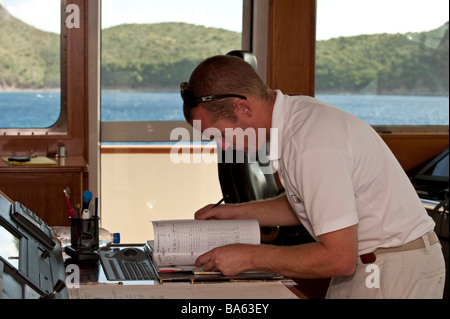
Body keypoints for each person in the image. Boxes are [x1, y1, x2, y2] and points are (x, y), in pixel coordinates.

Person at [180, 55, 446, 299]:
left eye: (221, 135)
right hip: (368, 264)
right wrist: (234, 213)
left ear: (244, 108)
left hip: (390, 269)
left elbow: (338, 258)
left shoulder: (311, 141)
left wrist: (251, 257)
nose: (223, 147)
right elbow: (304, 203)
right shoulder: (294, 119)